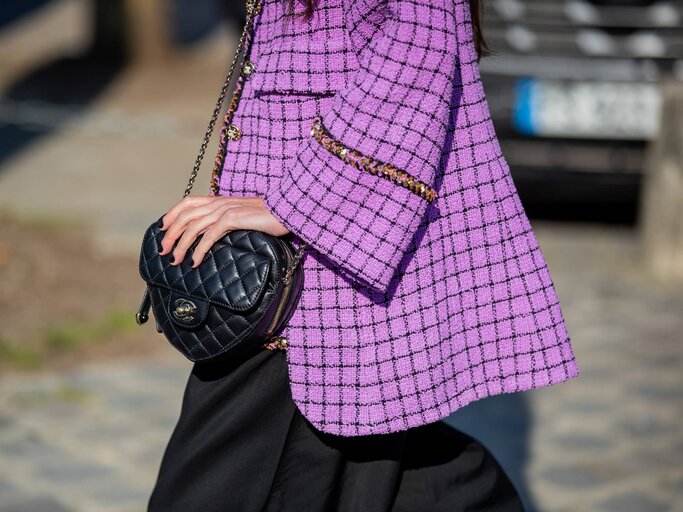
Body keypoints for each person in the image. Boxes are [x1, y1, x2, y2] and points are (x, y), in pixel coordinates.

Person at [147, 0, 580, 510]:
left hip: (310, 276)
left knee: (209, 488)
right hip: (306, 259)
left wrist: (298, 203)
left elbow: (420, 42)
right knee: (380, 468)